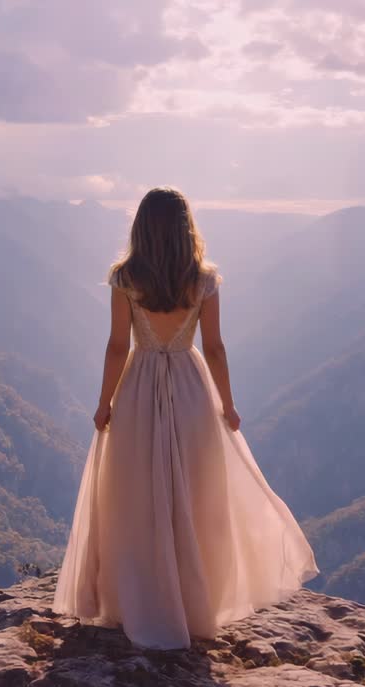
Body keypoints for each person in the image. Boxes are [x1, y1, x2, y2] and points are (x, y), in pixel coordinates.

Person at [52, 186, 319, 649]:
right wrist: (228, 405)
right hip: (191, 390)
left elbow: (117, 346)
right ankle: (194, 600)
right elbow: (214, 348)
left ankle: (139, 599)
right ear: (185, 228)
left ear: (141, 228)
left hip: (138, 387)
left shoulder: (124, 278)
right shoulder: (204, 281)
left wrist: (104, 402)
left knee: (136, 495)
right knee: (195, 493)